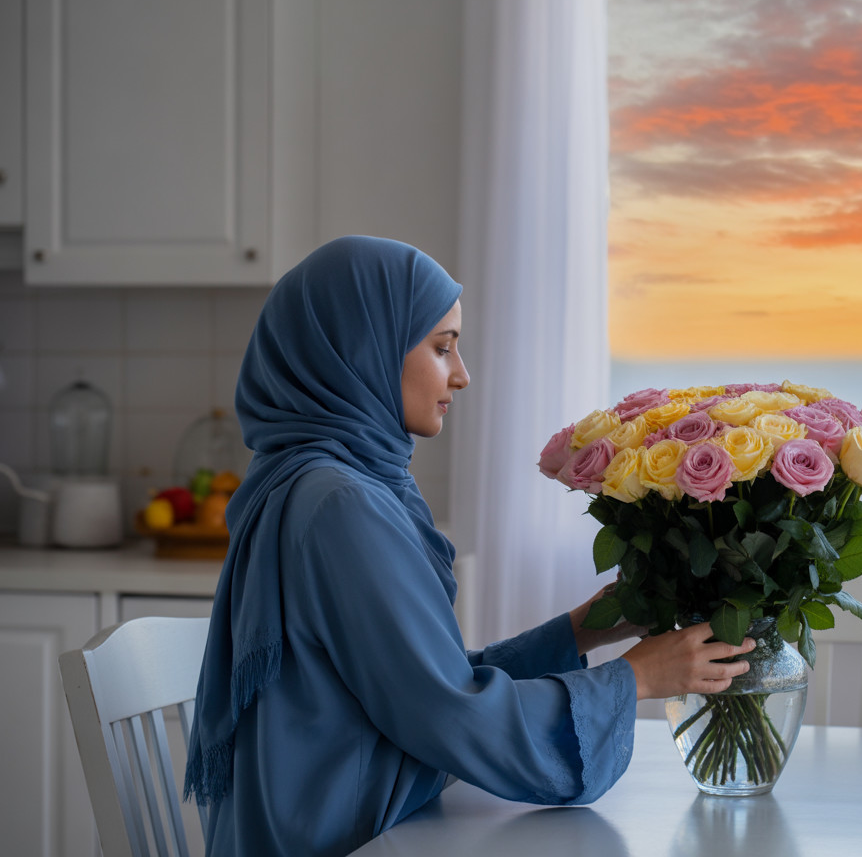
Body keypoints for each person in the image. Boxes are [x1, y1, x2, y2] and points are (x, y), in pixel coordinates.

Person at [184, 236, 755, 856]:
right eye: (441, 346)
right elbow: (445, 712)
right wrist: (635, 680)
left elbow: (424, 683)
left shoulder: (325, 480)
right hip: (340, 842)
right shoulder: (339, 504)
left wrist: (588, 627)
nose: (461, 373)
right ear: (361, 351)